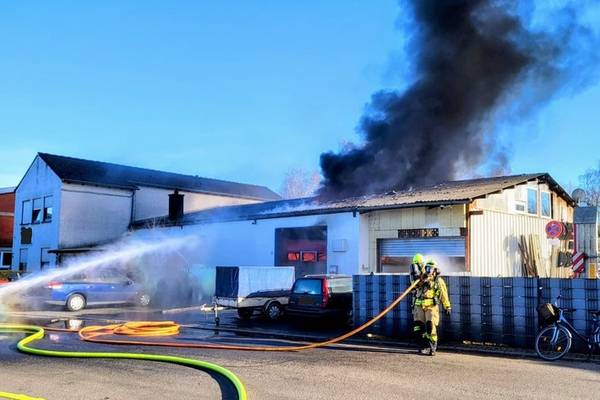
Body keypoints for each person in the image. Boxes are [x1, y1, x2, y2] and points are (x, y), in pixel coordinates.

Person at [412, 259, 451, 356]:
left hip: (431, 307)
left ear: (435, 270)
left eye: (430, 269)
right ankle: (423, 346)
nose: (428, 271)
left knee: (430, 326)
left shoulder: (439, 281)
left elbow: (444, 294)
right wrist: (421, 280)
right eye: (427, 268)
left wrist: (447, 306)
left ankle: (432, 347)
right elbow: (414, 287)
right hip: (419, 306)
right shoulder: (421, 279)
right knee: (419, 328)